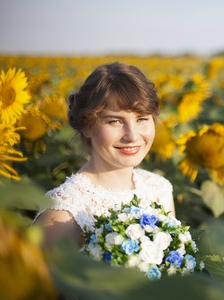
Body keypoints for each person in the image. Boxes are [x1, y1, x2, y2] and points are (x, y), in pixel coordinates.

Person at [33, 62, 175, 249]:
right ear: (86, 126)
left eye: (142, 119)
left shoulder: (159, 189)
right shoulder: (63, 215)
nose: (132, 135)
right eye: (115, 121)